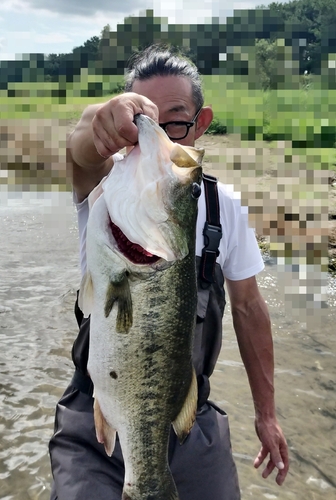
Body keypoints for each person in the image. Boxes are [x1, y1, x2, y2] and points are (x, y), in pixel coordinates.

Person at [49, 45, 289, 500]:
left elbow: (250, 308)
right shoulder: (107, 185)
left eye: (174, 121)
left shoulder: (225, 208)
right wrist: (100, 117)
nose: (157, 136)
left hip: (186, 415)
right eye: (143, 123)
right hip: (93, 409)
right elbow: (81, 148)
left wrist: (267, 414)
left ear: (201, 122)